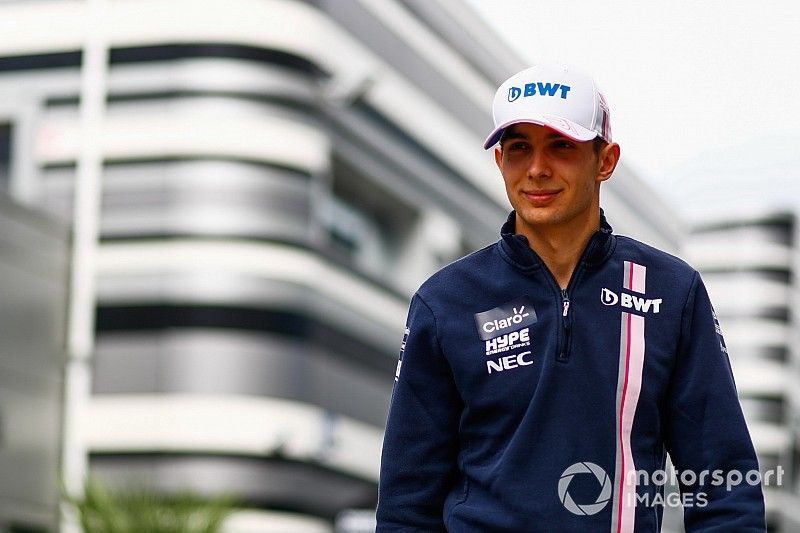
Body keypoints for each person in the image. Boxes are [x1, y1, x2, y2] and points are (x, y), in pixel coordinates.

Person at [375, 64, 766, 532]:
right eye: (519, 148)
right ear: (500, 162)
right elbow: (406, 505)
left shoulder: (670, 291)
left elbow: (725, 487)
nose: (537, 169)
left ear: (605, 161)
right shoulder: (446, 302)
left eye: (561, 145)